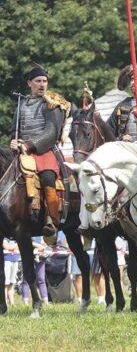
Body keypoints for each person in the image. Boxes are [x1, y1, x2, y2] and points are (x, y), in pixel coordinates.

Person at [10, 67, 70, 244]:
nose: (42, 85)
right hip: (21, 151)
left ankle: (51, 220)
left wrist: (30, 145)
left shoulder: (52, 102)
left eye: (44, 81)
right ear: (30, 83)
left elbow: (52, 132)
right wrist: (13, 142)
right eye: (38, 81)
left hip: (45, 151)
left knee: (47, 177)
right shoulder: (22, 103)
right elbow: (14, 130)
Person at [20, 236, 49, 305]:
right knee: (26, 279)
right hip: (28, 255)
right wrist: (37, 245)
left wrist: (45, 243)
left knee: (41, 279)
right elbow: (24, 238)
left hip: (41, 256)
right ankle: (25, 301)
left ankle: (46, 301)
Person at [3, 238, 21, 306]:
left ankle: (12, 303)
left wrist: (14, 247)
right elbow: (7, 247)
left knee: (12, 283)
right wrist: (17, 244)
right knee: (5, 283)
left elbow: (19, 248)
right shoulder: (4, 238)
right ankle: (5, 303)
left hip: (15, 259)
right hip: (6, 260)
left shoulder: (15, 238)